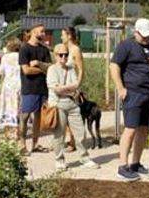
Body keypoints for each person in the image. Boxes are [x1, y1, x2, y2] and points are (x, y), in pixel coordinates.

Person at [110, 18, 149, 181]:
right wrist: (121, 88)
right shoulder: (125, 46)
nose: (147, 39)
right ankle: (122, 166)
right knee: (130, 128)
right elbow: (114, 66)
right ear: (136, 32)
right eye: (144, 36)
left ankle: (136, 163)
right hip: (132, 92)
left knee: (143, 128)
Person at [47, 43, 100, 171]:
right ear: (55, 56)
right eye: (61, 55)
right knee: (59, 134)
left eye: (66, 54)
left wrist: (67, 88)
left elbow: (76, 86)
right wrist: (69, 88)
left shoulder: (71, 68)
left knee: (80, 132)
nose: (64, 57)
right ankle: (59, 160)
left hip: (73, 103)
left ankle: (85, 157)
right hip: (58, 104)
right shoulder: (52, 70)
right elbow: (56, 89)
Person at [18, 25, 52, 152]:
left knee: (38, 116)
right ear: (33, 31)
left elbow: (50, 67)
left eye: (44, 31)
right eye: (41, 31)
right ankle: (22, 144)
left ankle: (35, 143)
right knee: (25, 116)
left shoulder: (44, 50)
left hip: (42, 88)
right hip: (29, 87)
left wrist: (38, 65)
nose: (44, 33)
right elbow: (26, 70)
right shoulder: (24, 48)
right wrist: (41, 70)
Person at [60, 26, 84, 149]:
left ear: (69, 36)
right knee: (63, 112)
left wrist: (77, 86)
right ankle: (69, 139)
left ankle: (74, 141)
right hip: (64, 84)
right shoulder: (64, 49)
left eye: (63, 34)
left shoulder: (75, 50)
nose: (61, 37)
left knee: (72, 113)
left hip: (72, 84)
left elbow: (80, 69)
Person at [0, 38, 22, 129]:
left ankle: (10, 128)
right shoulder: (22, 56)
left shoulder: (6, 57)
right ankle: (19, 128)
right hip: (20, 83)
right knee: (19, 106)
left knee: (8, 106)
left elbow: (1, 71)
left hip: (8, 84)